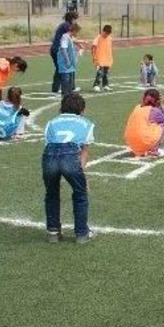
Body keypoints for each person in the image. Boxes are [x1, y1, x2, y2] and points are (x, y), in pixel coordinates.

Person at [42, 93, 95, 244]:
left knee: (51, 193)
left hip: (50, 155)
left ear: (62, 107)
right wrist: (82, 175)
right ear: (82, 109)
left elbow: (48, 144)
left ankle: (53, 233)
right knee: (80, 194)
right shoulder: (87, 123)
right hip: (71, 154)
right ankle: (81, 234)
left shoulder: (51, 122)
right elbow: (84, 153)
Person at [123, 89, 164, 157]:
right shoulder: (154, 110)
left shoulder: (137, 107)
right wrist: (161, 105)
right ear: (157, 99)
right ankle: (153, 150)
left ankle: (140, 148)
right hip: (143, 141)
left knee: (149, 124)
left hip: (130, 142)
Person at [50, 11, 78, 94]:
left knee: (60, 69)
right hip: (57, 50)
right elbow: (71, 38)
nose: (75, 21)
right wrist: (81, 42)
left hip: (56, 49)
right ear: (72, 19)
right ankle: (65, 88)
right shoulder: (66, 26)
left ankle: (60, 88)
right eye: (75, 19)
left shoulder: (65, 25)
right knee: (62, 69)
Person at [57, 23, 81, 97]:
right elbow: (63, 49)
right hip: (65, 64)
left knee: (70, 83)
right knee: (66, 82)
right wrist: (67, 60)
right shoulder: (65, 37)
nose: (77, 34)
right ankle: (65, 97)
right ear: (74, 31)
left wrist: (80, 46)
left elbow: (75, 41)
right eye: (77, 32)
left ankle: (69, 96)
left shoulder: (70, 37)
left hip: (70, 65)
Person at [91, 24, 114, 92]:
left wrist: (111, 58)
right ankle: (96, 85)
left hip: (107, 59)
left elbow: (109, 48)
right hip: (99, 59)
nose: (106, 35)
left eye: (108, 34)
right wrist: (95, 58)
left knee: (106, 73)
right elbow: (93, 48)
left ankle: (105, 85)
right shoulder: (98, 38)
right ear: (103, 31)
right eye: (106, 33)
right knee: (100, 72)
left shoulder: (110, 38)